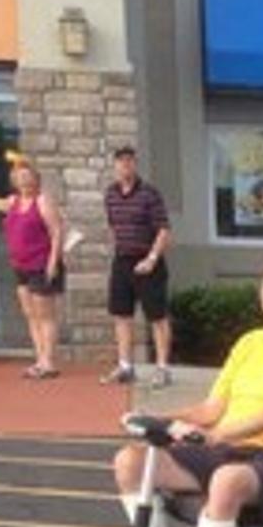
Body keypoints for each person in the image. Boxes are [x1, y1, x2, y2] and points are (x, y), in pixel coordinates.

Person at [113, 263, 263, 527]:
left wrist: (216, 435)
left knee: (227, 481)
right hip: (229, 453)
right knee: (130, 462)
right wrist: (159, 420)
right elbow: (211, 410)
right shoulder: (251, 343)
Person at [0, 155, 65, 378]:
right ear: (15, 181)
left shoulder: (43, 201)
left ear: (35, 179)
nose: (24, 181)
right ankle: (40, 358)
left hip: (41, 265)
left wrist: (53, 262)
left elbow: (57, 232)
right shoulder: (13, 202)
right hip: (21, 266)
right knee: (31, 314)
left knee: (46, 315)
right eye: (20, 177)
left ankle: (48, 362)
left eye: (28, 177)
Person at [101, 146, 175, 388]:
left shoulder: (149, 194)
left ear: (135, 164)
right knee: (121, 315)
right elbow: (113, 226)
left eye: (129, 162)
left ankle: (162, 368)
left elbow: (164, 229)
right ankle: (125, 367)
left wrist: (152, 258)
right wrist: (114, 248)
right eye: (121, 162)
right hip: (122, 261)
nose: (125, 166)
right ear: (115, 166)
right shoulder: (110, 194)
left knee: (157, 316)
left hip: (148, 261)